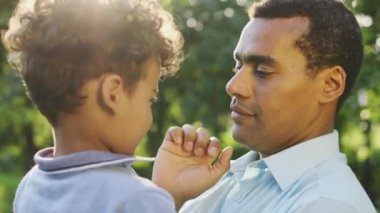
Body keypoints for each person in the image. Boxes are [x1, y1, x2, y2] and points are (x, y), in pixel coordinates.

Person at [2, 0, 233, 212]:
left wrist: (166, 194)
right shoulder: (136, 199)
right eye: (149, 100)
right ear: (113, 94)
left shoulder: (31, 186)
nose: (149, 116)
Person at [155, 0, 377, 212]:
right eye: (238, 66)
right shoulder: (222, 183)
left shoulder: (326, 205)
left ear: (330, 84)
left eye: (262, 71)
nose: (233, 86)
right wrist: (170, 197)